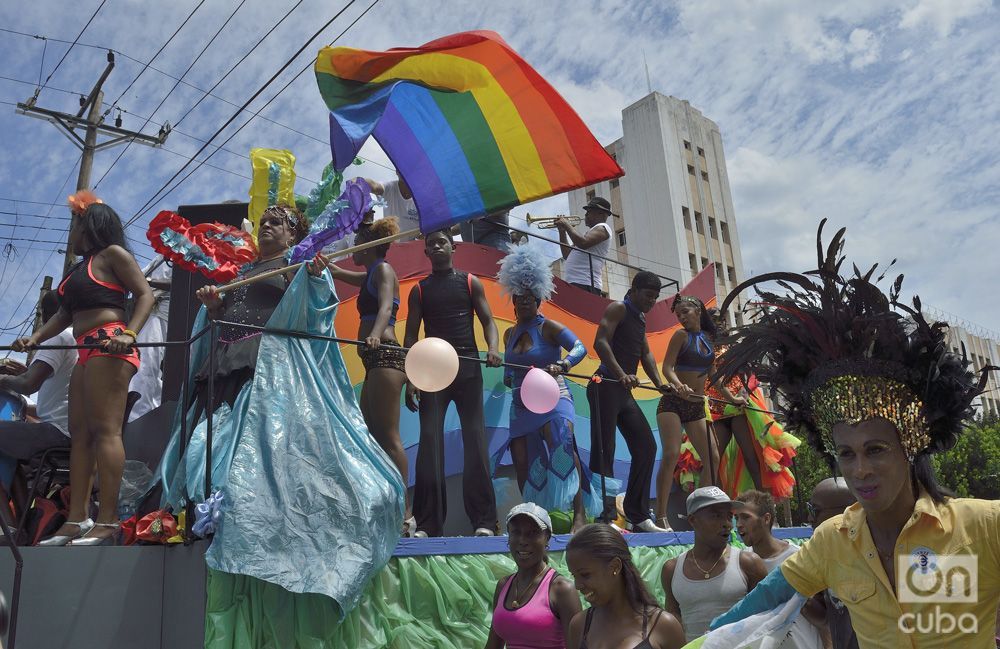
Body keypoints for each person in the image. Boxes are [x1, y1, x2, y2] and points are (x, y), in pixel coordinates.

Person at [710, 222, 1000, 648]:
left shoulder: (984, 526)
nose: (860, 470)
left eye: (876, 449)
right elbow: (770, 595)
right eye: (846, 454)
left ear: (911, 447)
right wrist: (704, 638)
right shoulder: (833, 539)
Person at [14, 192, 154, 546]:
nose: (71, 234)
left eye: (74, 226)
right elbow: (63, 314)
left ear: (88, 225)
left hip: (110, 344)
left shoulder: (113, 256)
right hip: (85, 350)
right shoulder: (78, 270)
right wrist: (35, 338)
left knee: (106, 431)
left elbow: (145, 295)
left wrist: (130, 333)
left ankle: (108, 520)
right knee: (81, 435)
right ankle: (76, 518)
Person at [404, 229, 500, 537]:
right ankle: (429, 524)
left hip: (469, 368)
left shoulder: (471, 282)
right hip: (433, 373)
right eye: (431, 244)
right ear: (427, 253)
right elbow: (410, 337)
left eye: (441, 242)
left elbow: (488, 321)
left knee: (475, 441)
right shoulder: (419, 290)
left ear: (453, 248)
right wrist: (411, 378)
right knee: (430, 443)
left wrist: (494, 348)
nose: (436, 246)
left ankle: (485, 522)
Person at [496, 244, 599, 531]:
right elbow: (508, 372)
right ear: (513, 300)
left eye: (531, 298)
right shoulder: (508, 333)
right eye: (520, 298)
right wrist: (505, 375)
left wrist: (562, 366)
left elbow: (580, 348)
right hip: (521, 403)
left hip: (554, 398)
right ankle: (535, 517)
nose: (525, 302)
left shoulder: (549, 327)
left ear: (539, 299)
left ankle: (578, 514)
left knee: (563, 447)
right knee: (521, 460)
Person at [327, 218, 412, 534]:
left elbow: (386, 307)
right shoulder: (370, 274)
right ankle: (382, 505)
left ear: (371, 245)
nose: (353, 248)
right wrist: (331, 269)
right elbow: (352, 278)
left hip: (386, 353)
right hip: (374, 360)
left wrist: (375, 333)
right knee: (371, 435)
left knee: (388, 436)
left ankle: (405, 513)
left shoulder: (384, 271)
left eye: (358, 240)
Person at [589, 271, 670, 533]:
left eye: (655, 298)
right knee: (605, 449)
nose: (651, 301)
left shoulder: (640, 318)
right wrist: (621, 374)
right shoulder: (618, 308)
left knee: (646, 446)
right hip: (605, 385)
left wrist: (660, 383)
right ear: (634, 290)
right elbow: (600, 342)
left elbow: (645, 353)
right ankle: (604, 517)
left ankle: (637, 514)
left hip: (624, 392)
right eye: (648, 296)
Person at [0, 291, 74, 524]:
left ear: (46, 315)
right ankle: (24, 521)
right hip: (71, 430)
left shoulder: (57, 337)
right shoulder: (76, 337)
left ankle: (8, 526)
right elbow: (39, 385)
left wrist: (1, 379)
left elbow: (28, 385)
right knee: (10, 451)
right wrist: (25, 374)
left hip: (58, 431)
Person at [661, 486, 768, 643]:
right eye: (716, 516)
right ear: (693, 520)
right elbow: (674, 626)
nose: (727, 524)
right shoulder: (671, 570)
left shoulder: (749, 564)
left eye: (728, 516)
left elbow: (766, 620)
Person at [565, 523, 686, 649]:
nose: (577, 585)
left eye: (585, 575)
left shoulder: (663, 625)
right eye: (574, 576)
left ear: (615, 567)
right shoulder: (579, 625)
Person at [655, 294, 717, 527]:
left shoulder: (709, 339)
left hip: (696, 406)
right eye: (678, 314)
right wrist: (677, 385)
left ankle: (698, 513)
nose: (681, 317)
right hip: (672, 403)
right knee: (671, 454)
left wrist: (733, 397)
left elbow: (714, 377)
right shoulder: (679, 336)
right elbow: (667, 368)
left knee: (712, 457)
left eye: (685, 312)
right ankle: (661, 517)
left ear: (698, 310)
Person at [734, 490, 825, 649]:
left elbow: (824, 616)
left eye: (746, 517)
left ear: (766, 518)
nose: (739, 524)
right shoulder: (742, 564)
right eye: (736, 518)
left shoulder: (799, 557)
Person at [485, 503, 582, 649]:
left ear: (547, 538)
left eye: (532, 533)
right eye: (516, 532)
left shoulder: (562, 590)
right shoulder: (503, 585)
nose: (523, 541)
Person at [806, 478, 859, 649]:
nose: (809, 518)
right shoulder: (825, 558)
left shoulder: (892, 554)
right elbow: (826, 618)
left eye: (815, 510)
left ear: (847, 511)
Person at [128, 254, 172, 421]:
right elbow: (139, 277)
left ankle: (141, 414)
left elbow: (181, 284)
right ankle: (139, 413)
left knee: (150, 365)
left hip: (168, 315)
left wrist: (149, 282)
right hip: (151, 315)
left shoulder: (189, 255)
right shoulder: (161, 257)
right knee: (145, 365)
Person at [555, 197, 614, 296]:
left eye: (589, 212)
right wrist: (562, 232)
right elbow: (566, 255)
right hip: (575, 282)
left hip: (586, 283)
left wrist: (566, 224)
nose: (585, 215)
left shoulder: (604, 228)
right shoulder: (588, 233)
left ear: (600, 213)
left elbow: (583, 243)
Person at [367, 174, 420, 240]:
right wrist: (358, 182)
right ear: (396, 171)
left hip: (412, 246)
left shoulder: (423, 198)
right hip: (389, 244)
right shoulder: (389, 187)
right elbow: (373, 185)